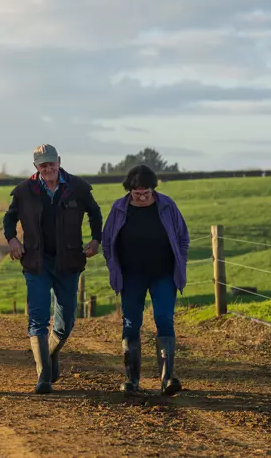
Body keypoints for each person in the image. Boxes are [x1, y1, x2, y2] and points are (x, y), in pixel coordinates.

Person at [3, 144, 103, 394]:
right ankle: (44, 376)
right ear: (36, 166)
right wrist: (12, 239)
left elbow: (95, 213)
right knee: (37, 317)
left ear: (59, 161)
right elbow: (9, 219)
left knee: (67, 320)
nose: (48, 168)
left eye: (51, 163)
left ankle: (50, 353)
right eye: (43, 165)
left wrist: (96, 239)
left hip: (68, 260)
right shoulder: (25, 191)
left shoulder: (78, 188)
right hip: (36, 261)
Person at [101, 164, 189, 396]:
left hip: (164, 274)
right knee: (131, 324)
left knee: (164, 320)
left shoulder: (168, 206)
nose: (140, 196)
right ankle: (131, 380)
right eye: (136, 192)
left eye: (145, 192)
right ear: (129, 190)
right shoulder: (119, 209)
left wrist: (181, 261)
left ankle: (167, 379)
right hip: (131, 276)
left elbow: (182, 237)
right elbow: (108, 241)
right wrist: (113, 266)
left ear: (153, 189)